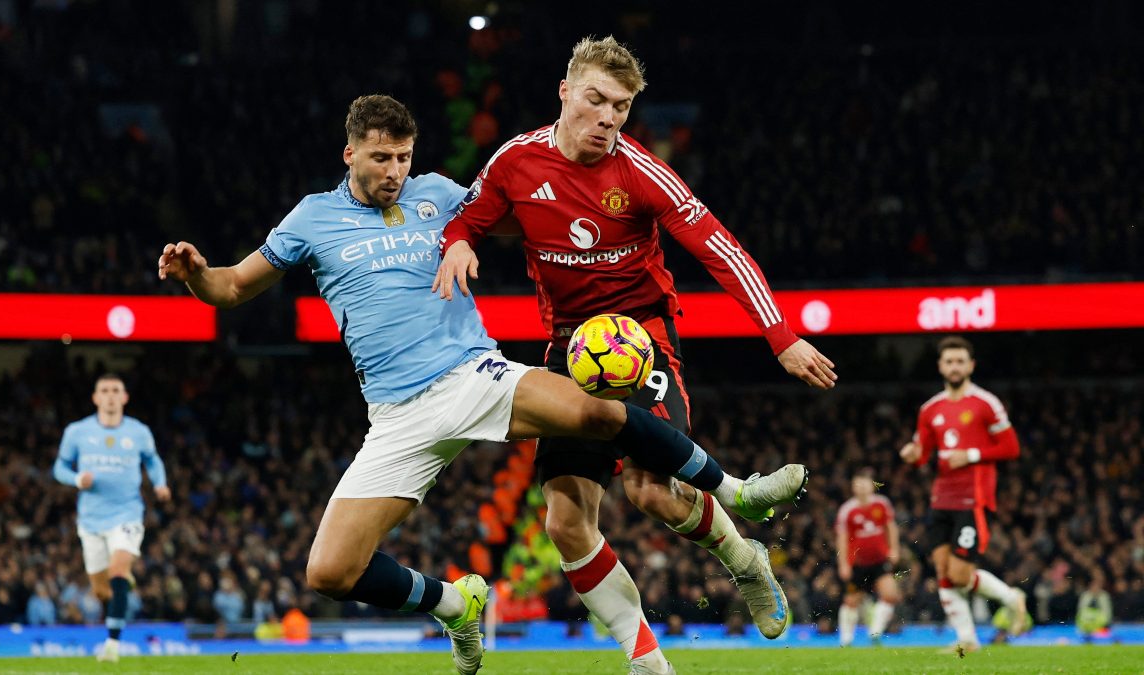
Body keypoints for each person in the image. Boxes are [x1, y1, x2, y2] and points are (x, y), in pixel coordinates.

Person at [158, 94, 801, 675]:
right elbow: (232, 288)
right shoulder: (311, 219)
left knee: (599, 415)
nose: (395, 172)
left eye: (404, 158)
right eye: (381, 158)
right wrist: (195, 273)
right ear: (349, 152)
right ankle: (454, 604)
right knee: (330, 571)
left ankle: (736, 489)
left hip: (474, 374)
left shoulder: (439, 192)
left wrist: (608, 224)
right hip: (397, 414)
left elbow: (532, 215)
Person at [435, 35, 835, 670]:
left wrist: (780, 337)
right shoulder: (516, 161)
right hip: (571, 351)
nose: (607, 119)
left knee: (651, 492)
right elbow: (468, 217)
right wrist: (459, 242)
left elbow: (720, 251)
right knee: (565, 524)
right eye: (595, 100)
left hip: (640, 341)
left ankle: (743, 559)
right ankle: (646, 657)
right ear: (564, 93)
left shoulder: (642, 172)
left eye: (620, 108)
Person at [899, 335, 1028, 651]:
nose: (954, 367)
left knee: (959, 573)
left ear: (971, 365)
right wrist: (913, 455)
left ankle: (1012, 597)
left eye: (960, 361)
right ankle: (967, 640)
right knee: (944, 571)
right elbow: (924, 452)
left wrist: (970, 455)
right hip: (941, 497)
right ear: (941, 366)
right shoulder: (930, 409)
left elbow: (1011, 448)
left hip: (974, 498)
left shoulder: (986, 403)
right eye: (949, 361)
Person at [53, 373, 170, 663]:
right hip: (91, 520)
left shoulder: (138, 431)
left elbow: (152, 460)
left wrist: (159, 483)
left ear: (124, 397)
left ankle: (112, 647)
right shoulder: (77, 432)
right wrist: (77, 478)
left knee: (118, 570)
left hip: (127, 513)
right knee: (102, 590)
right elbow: (59, 467)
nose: (110, 395)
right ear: (95, 398)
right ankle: (121, 583)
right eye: (104, 390)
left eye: (115, 390)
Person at [835, 468, 901, 645]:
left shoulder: (882, 504)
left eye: (865, 484)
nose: (862, 488)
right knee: (851, 601)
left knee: (890, 594)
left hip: (880, 560)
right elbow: (842, 539)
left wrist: (894, 549)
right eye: (858, 484)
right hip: (858, 563)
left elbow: (891, 527)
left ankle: (875, 633)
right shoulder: (847, 510)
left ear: (872, 486)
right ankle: (846, 640)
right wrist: (843, 564)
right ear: (853, 488)